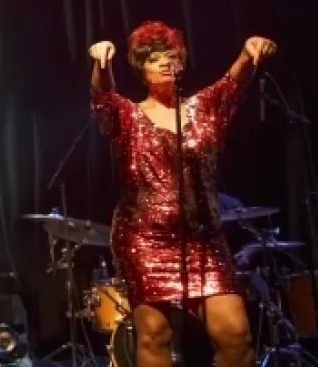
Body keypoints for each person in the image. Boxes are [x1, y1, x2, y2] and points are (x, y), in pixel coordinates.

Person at [89, 21, 276, 366]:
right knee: (154, 334)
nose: (164, 62)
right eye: (154, 58)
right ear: (142, 70)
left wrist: (247, 51)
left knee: (236, 335)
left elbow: (232, 83)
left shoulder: (204, 109)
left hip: (203, 240)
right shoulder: (129, 117)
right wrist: (102, 63)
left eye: (171, 56)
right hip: (145, 238)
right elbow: (104, 97)